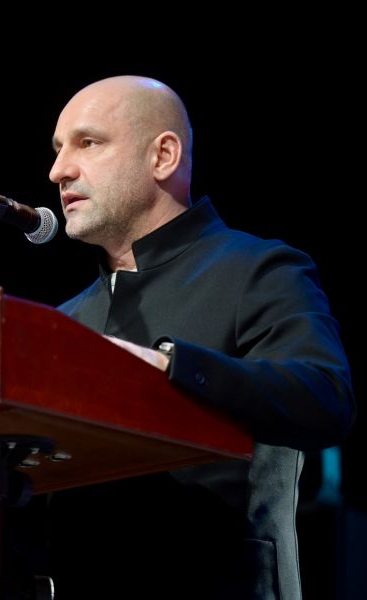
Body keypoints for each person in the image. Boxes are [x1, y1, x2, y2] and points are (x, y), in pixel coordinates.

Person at [31, 75, 356, 600]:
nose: (58, 170)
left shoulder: (257, 270)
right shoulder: (63, 321)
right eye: (57, 148)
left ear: (162, 156)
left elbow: (326, 397)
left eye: (87, 142)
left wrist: (170, 368)